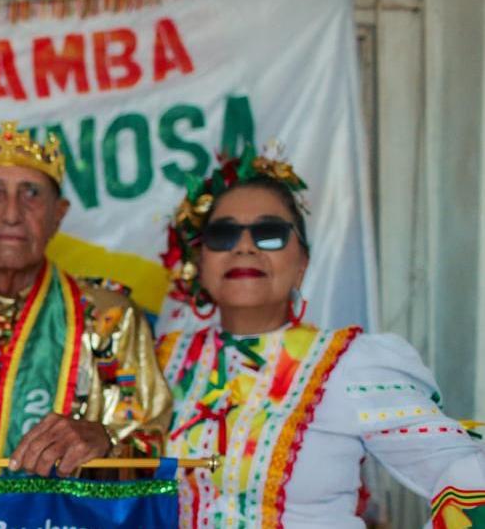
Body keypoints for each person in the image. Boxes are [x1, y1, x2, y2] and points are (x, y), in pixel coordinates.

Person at [157, 150, 485, 527]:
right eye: (222, 234)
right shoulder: (161, 361)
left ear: (302, 265)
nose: (243, 246)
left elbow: (466, 475)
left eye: (269, 234)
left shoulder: (350, 364)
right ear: (200, 263)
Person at [0, 121, 170, 475]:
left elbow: (151, 450)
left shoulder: (109, 318)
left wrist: (106, 442)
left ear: (58, 215)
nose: (11, 214)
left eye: (32, 193)